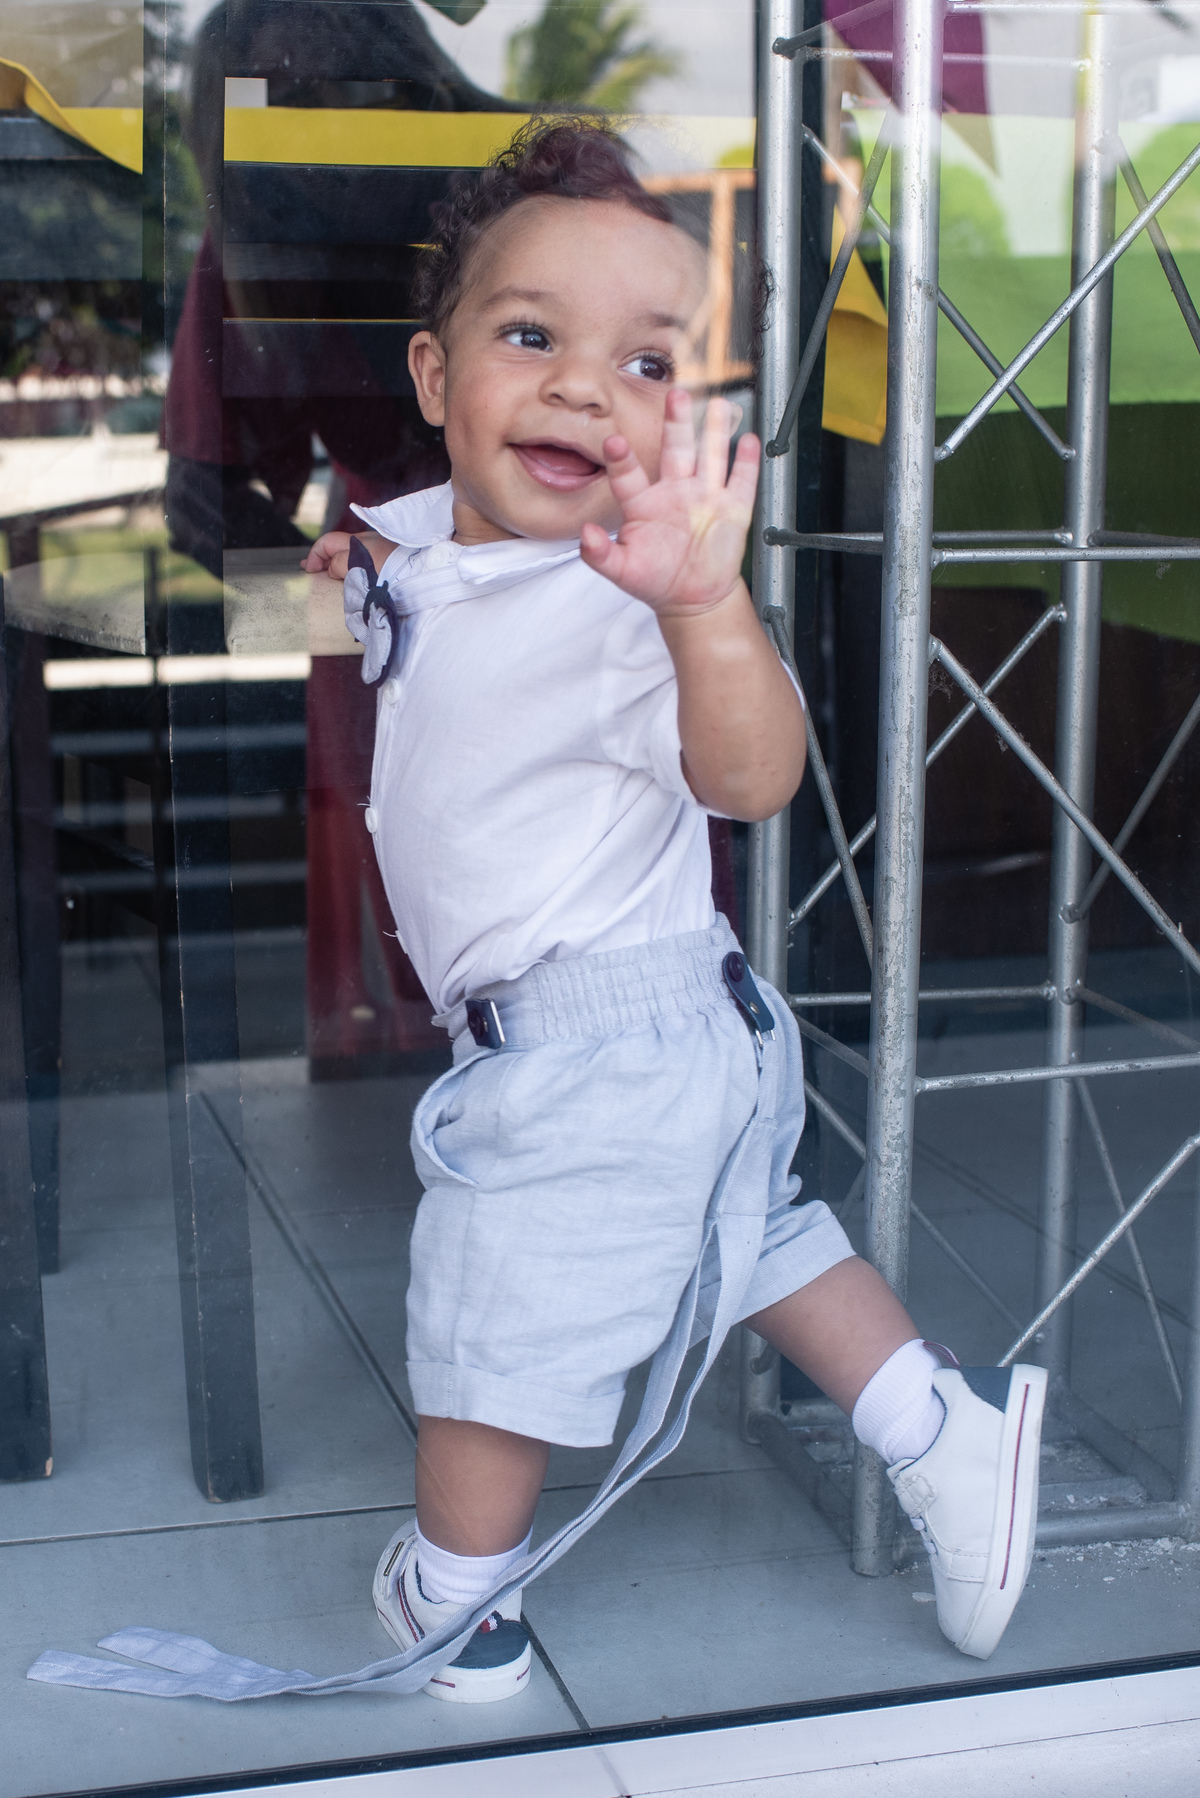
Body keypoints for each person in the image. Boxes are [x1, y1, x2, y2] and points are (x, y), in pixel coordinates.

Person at [303, 118, 1047, 1705]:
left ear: (687, 421)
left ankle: (459, 1598)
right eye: (532, 337)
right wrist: (354, 564)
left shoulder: (630, 599)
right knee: (750, 1236)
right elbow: (411, 567)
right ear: (435, 379)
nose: (585, 387)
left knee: (493, 1313)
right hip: (675, 1025)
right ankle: (938, 1420)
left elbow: (754, 773)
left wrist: (708, 609)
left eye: (646, 364)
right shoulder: (436, 541)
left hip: (593, 1050)